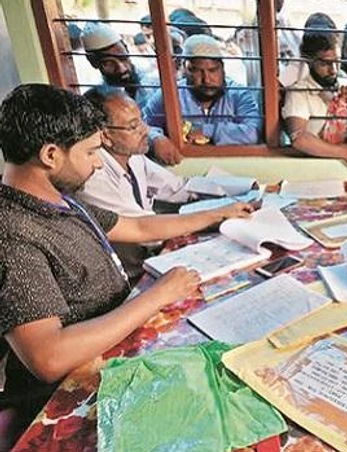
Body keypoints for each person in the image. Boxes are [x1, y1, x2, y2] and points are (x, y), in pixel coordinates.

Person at [0, 84, 253, 426]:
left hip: (119, 336)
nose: (98, 166)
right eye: (91, 154)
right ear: (50, 155)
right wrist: (157, 296)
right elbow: (49, 357)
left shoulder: (60, 199)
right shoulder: (13, 234)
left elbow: (137, 229)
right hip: (72, 390)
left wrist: (218, 213)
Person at [79, 86, 195, 280]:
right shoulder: (92, 175)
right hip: (125, 281)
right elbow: (144, 229)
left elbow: (178, 187)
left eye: (142, 120)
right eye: (133, 126)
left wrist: (245, 190)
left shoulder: (132, 156)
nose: (145, 130)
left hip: (150, 260)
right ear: (105, 136)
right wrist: (215, 216)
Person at [80, 22, 182, 166]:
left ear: (127, 49)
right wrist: (155, 138)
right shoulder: (98, 100)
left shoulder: (155, 81)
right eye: (108, 63)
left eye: (123, 58)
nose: (121, 69)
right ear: (93, 62)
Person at [282, 30, 347, 176]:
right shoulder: (299, 92)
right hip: (315, 173)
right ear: (309, 61)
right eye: (325, 64)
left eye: (337, 62)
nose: (333, 70)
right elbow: (299, 139)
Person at [143, 34, 262, 146]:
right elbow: (144, 127)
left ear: (222, 68)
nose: (207, 80)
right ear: (185, 69)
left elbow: (252, 132)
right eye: (197, 71)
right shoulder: (169, 96)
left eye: (213, 70)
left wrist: (206, 130)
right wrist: (157, 139)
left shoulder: (238, 95)